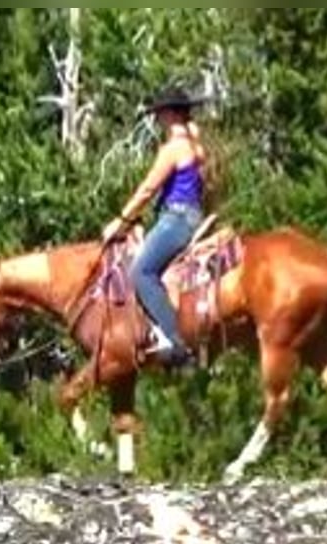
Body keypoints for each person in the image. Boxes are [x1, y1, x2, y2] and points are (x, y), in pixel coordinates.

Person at [101, 86, 209, 367]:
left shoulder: (174, 149)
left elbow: (148, 189)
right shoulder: (197, 146)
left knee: (141, 271)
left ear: (171, 114)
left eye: (160, 112)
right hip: (190, 214)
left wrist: (121, 222)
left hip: (176, 219)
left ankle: (177, 342)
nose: (157, 118)